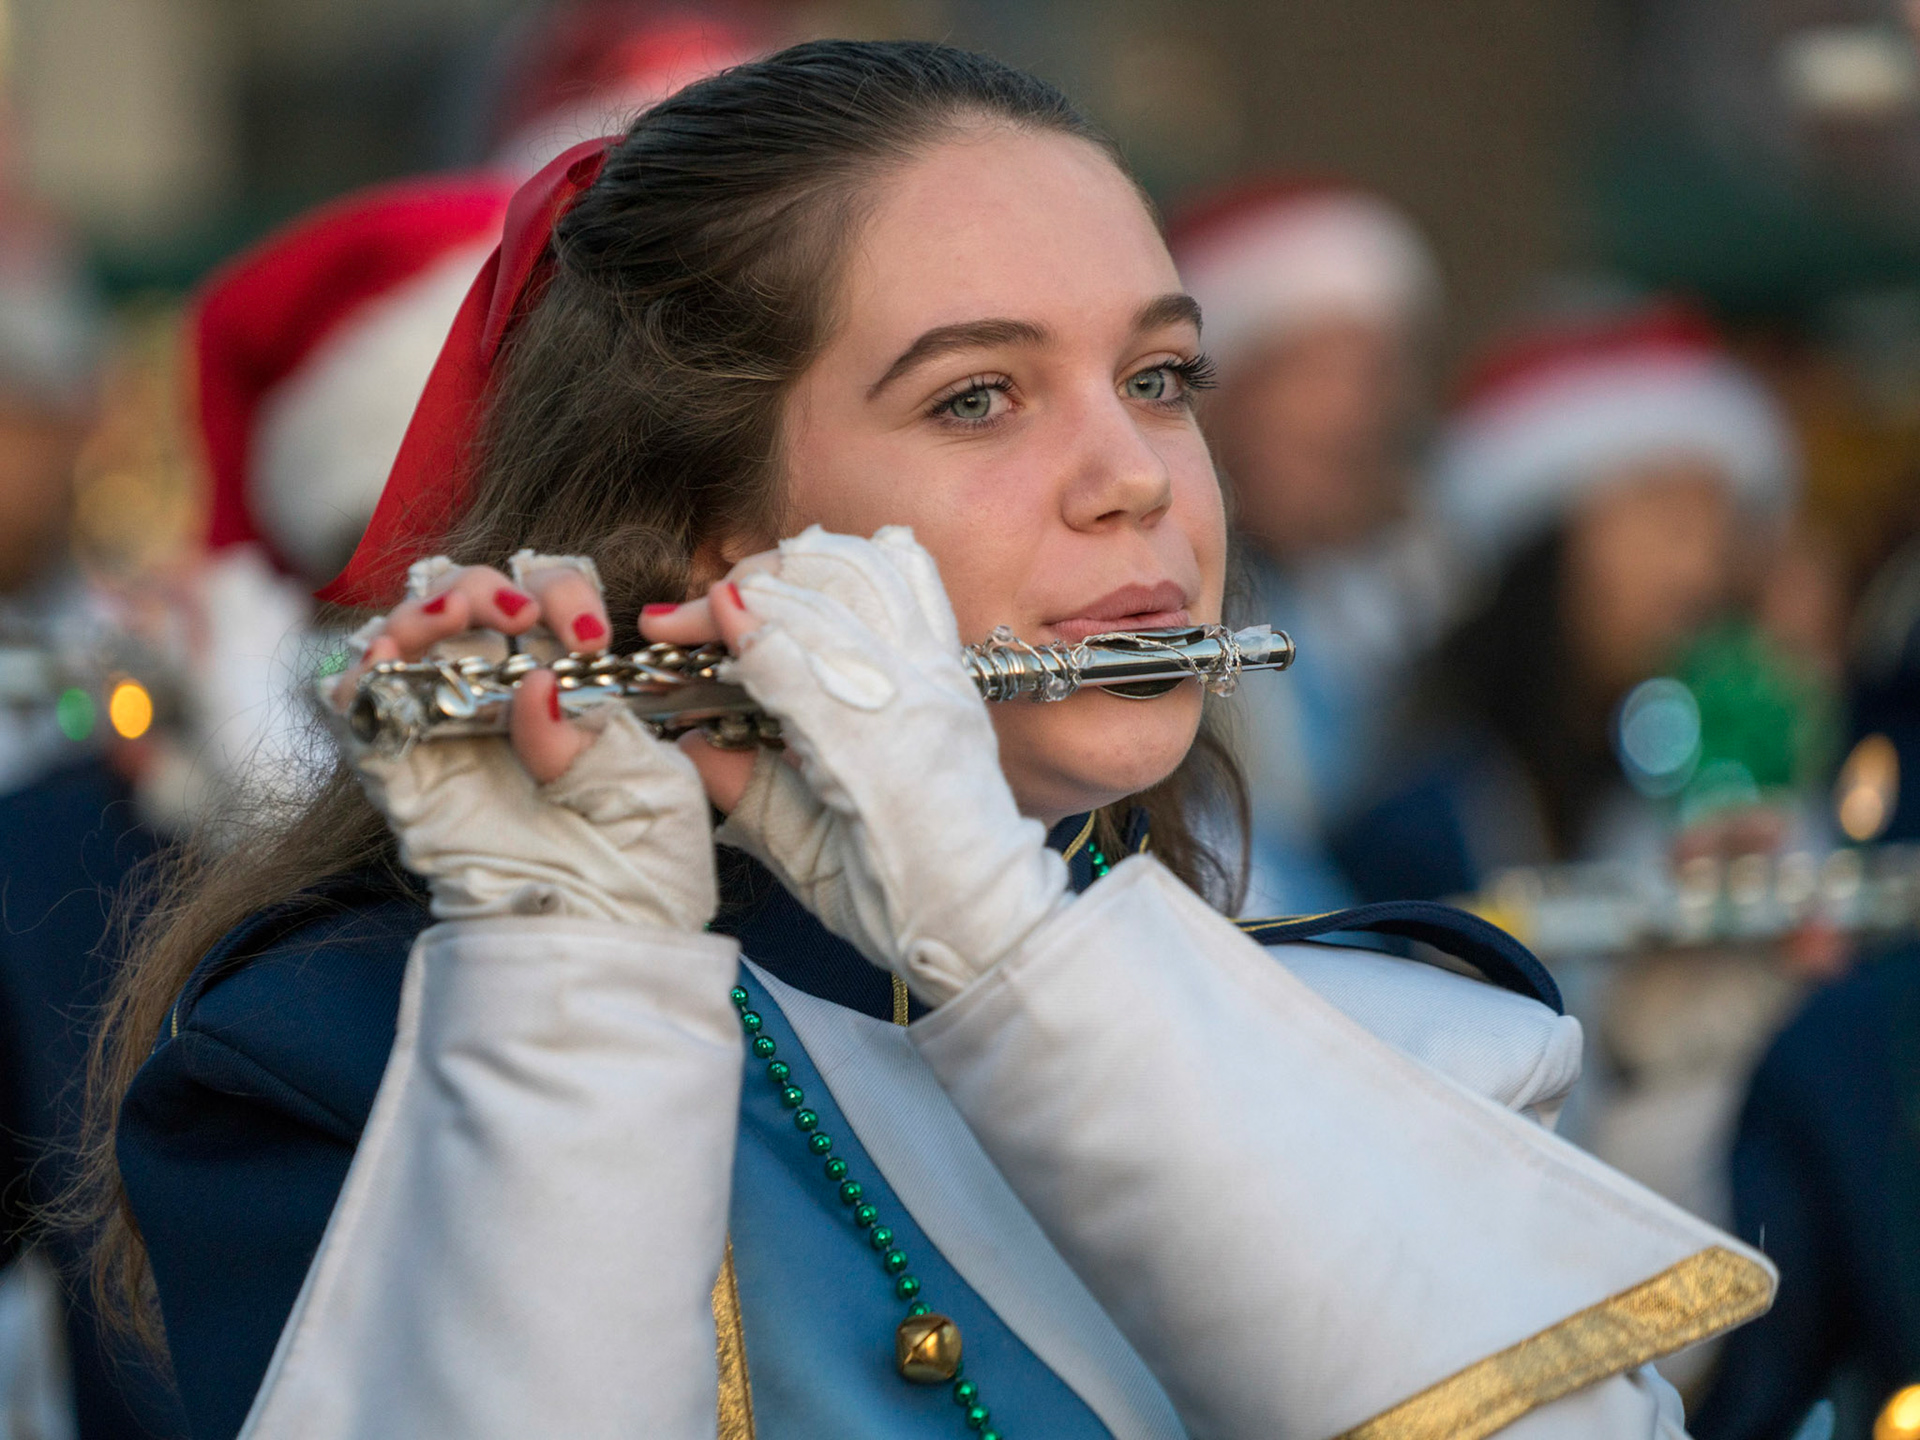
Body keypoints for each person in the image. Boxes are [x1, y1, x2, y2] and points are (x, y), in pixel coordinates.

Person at [82, 43, 1774, 1440]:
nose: (1139, 479)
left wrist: (1006, 935)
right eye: (979, 397)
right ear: (707, 547)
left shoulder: (1402, 1036)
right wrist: (567, 985)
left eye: (1166, 377)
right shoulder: (350, 1055)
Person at [1331, 301, 1801, 904]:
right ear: (1547, 543)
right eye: (1667, 519)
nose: (1701, 572)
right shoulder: (1419, 824)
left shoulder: (1674, 789)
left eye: (1719, 532)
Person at [1170, 179, 1448, 914]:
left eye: (1377, 373)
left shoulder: (1416, 601)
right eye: (1314, 371)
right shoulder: (1156, 624)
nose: (1358, 415)